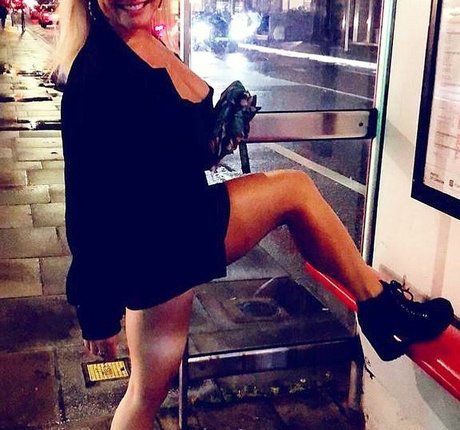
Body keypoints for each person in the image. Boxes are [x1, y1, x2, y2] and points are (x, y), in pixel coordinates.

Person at [55, 0, 454, 429]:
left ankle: (379, 307)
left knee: (144, 395)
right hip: (162, 240)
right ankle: (381, 308)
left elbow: (163, 150)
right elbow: (86, 202)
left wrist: (217, 135)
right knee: (293, 191)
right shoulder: (97, 71)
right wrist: (96, 313)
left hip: (176, 222)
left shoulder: (144, 43)